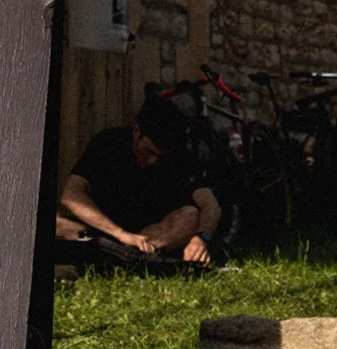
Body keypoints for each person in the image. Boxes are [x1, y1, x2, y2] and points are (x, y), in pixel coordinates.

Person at [57, 95, 222, 266]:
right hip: (106, 228)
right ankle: (121, 254)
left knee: (191, 216)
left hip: (152, 234)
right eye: (148, 152)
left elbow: (210, 205)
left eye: (160, 157)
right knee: (57, 222)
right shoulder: (108, 142)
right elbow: (71, 196)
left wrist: (201, 239)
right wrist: (120, 234)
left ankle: (124, 255)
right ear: (136, 131)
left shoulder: (180, 155)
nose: (152, 161)